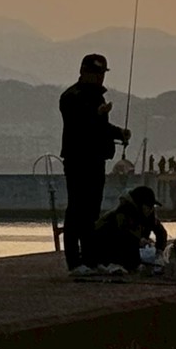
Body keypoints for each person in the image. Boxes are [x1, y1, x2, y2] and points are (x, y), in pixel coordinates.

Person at [59, 53, 130, 272]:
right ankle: (74, 262)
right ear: (83, 72)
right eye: (94, 73)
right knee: (76, 211)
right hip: (77, 160)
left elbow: (101, 128)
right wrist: (96, 114)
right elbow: (79, 122)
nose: (99, 78)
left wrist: (120, 132)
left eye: (101, 74)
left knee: (91, 211)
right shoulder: (71, 96)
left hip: (97, 160)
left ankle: (91, 259)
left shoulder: (98, 98)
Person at [82, 184, 166, 273]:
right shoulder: (122, 213)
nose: (151, 210)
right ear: (140, 204)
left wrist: (159, 252)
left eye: (152, 206)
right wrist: (139, 241)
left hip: (126, 245)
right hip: (102, 245)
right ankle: (109, 264)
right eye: (148, 206)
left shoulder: (148, 215)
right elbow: (125, 235)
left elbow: (161, 232)